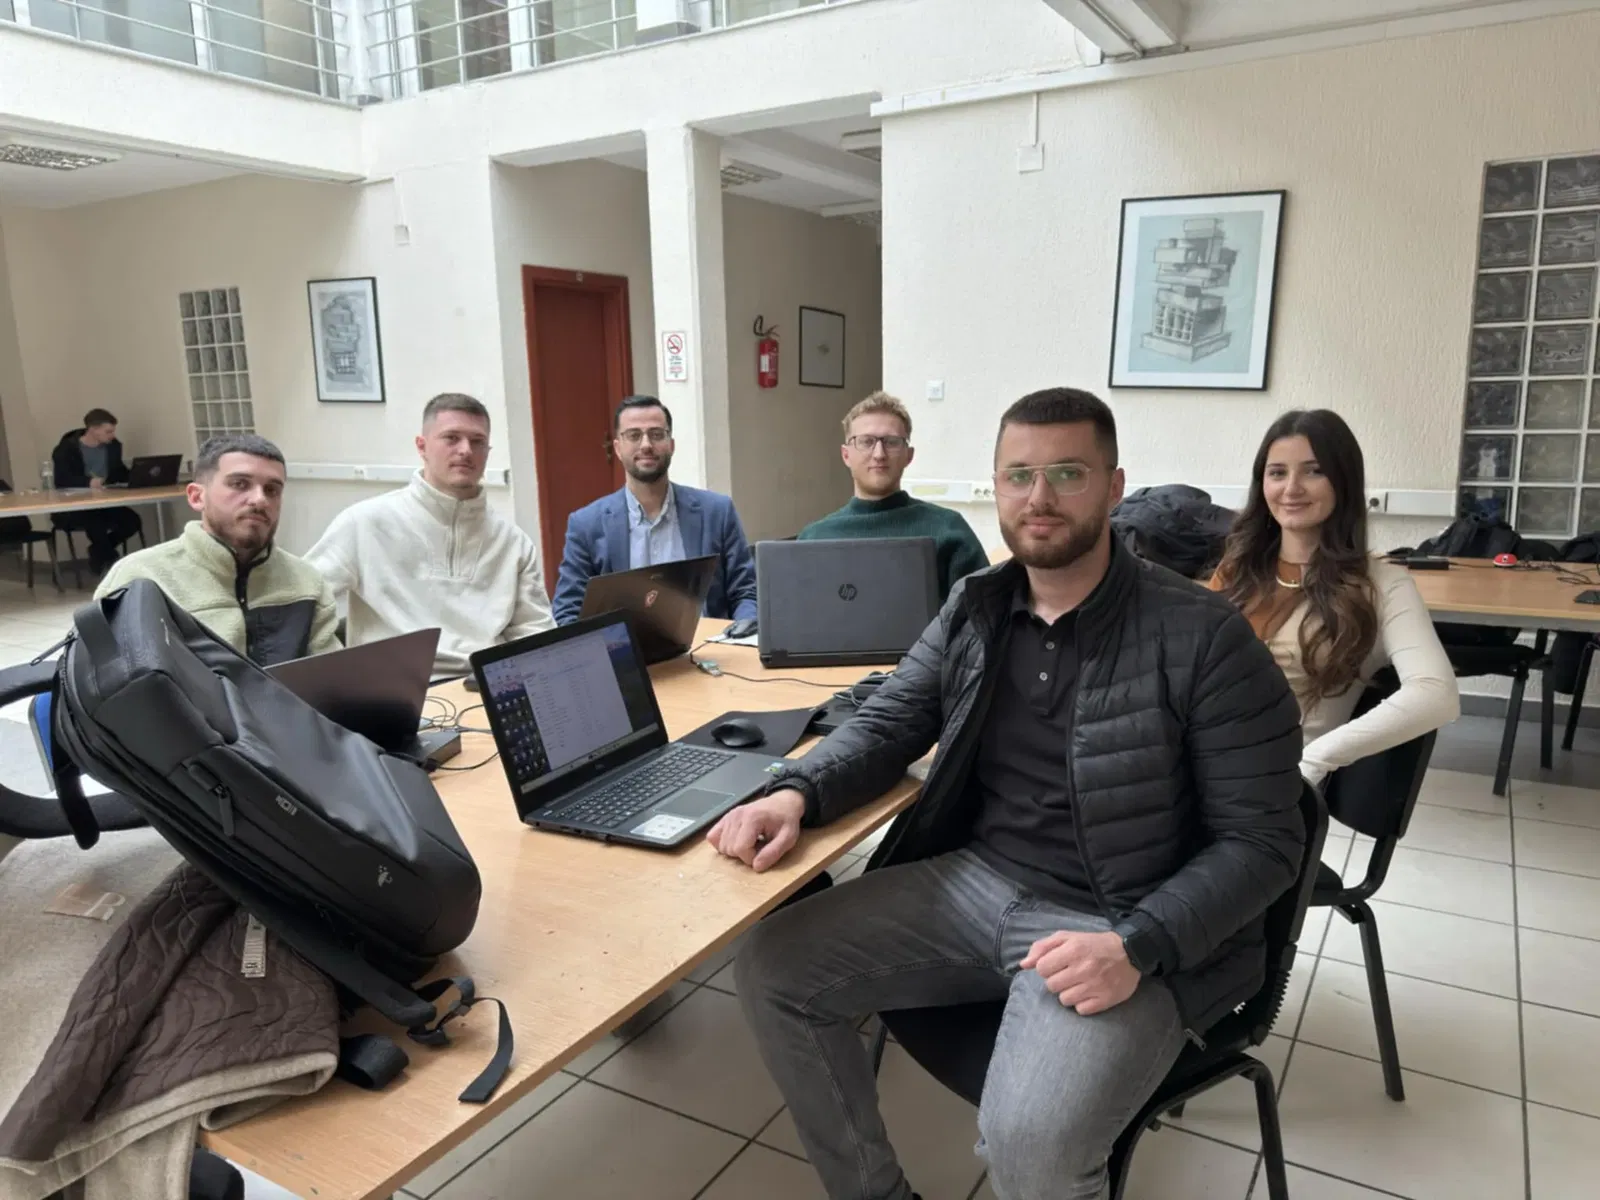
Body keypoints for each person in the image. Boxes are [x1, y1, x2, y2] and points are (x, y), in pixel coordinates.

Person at [712, 387, 1306, 1200]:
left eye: (1068, 473)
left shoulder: (1204, 637)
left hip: (1123, 916)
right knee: (772, 968)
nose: (1040, 497)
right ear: (994, 487)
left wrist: (1138, 946)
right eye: (1019, 475)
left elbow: (1265, 842)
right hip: (976, 883)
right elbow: (890, 718)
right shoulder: (977, 605)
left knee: (1030, 1144)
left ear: (1114, 486)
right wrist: (796, 791)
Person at [1209, 409, 1460, 784]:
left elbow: (1436, 694)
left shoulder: (1382, 585)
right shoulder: (1239, 569)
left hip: (1266, 785)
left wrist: (1315, 761)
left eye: (1314, 471)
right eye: (1277, 473)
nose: (1292, 488)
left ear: (1343, 480)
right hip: (1196, 763)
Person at [304, 393, 554, 678]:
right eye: (451, 438)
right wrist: (336, 668)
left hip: (481, 685)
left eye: (477, 441)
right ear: (422, 446)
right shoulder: (365, 523)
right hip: (394, 689)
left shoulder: (512, 542)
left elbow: (535, 630)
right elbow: (302, 601)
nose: (466, 450)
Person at [96, 434, 338, 667]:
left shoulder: (306, 583)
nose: (259, 499)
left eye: (272, 490)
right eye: (240, 484)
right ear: (196, 497)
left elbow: (331, 680)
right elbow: (104, 681)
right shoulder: (139, 578)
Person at [552, 395, 758, 626]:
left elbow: (746, 592)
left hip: (708, 645)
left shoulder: (717, 513)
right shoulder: (587, 525)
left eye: (657, 434)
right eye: (634, 435)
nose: (646, 445)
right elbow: (568, 610)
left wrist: (743, 629)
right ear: (618, 448)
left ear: (671, 444)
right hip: (625, 648)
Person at [797, 392, 989, 601]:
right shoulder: (813, 538)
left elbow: (985, 612)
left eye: (891, 442)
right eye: (866, 441)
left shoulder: (948, 529)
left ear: (909, 455)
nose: (879, 454)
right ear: (846, 455)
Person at [52, 408, 143, 574]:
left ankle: (99, 551)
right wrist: (88, 482)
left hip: (104, 502)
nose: (112, 436)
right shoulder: (66, 450)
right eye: (108, 431)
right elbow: (61, 480)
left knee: (132, 521)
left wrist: (136, 476)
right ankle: (111, 559)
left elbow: (118, 471)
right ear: (93, 429)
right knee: (95, 522)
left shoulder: (112, 447)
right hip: (76, 505)